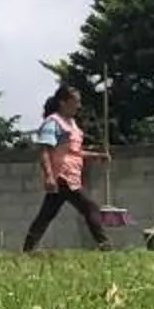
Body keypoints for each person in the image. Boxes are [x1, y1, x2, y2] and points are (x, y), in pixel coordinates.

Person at [24, 84, 110, 251]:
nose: (78, 106)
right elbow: (44, 151)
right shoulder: (53, 123)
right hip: (62, 177)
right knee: (90, 207)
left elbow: (74, 152)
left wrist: (97, 156)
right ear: (63, 102)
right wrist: (49, 176)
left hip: (72, 175)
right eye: (75, 102)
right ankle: (105, 246)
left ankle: (28, 248)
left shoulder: (72, 124)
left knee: (46, 214)